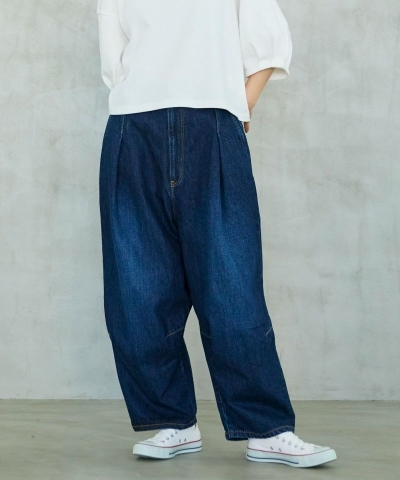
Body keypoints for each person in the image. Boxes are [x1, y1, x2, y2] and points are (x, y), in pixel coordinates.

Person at [96, 0, 337, 468]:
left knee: (231, 285)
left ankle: (266, 429)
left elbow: (269, 43)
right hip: (132, 128)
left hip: (213, 126)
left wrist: (240, 103)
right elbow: (115, 65)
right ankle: (172, 421)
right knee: (137, 290)